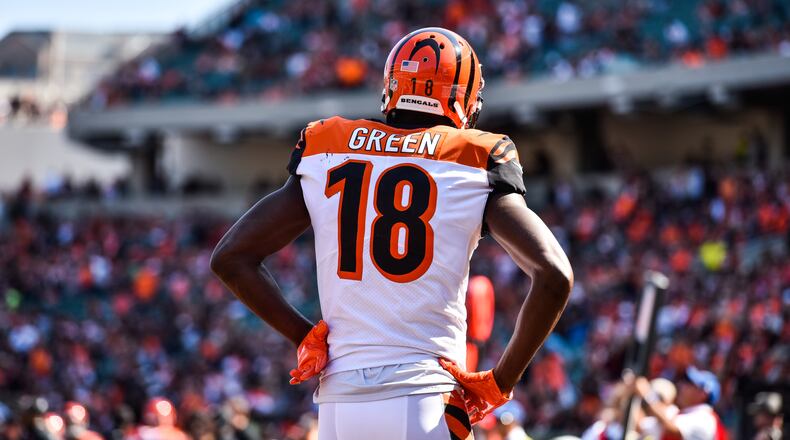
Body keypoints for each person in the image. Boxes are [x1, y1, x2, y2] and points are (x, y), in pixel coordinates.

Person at [211, 26, 573, 440]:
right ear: (464, 96)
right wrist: (500, 382)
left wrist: (304, 335)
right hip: (426, 395)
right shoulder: (473, 157)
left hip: (337, 402)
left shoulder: (328, 147)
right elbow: (554, 274)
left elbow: (230, 258)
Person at [633, 367, 727, 440]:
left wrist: (647, 395)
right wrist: (633, 395)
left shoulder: (706, 419)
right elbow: (640, 426)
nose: (682, 386)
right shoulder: (679, 413)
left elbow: (672, 430)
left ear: (703, 394)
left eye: (689, 383)